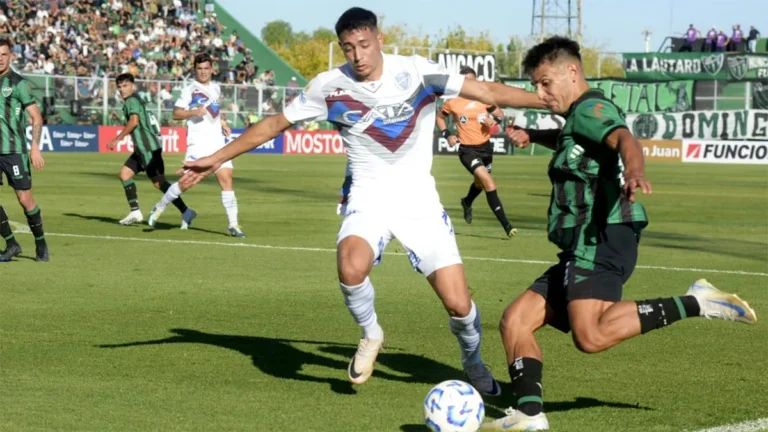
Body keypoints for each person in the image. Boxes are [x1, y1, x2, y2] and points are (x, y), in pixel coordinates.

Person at [178, 7, 545, 395]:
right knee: (350, 267)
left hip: (419, 202)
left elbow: (486, 92)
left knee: (458, 304)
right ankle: (371, 333)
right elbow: (274, 124)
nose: (358, 55)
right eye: (348, 47)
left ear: (379, 39)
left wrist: (546, 101)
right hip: (368, 198)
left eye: (364, 45)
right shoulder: (329, 87)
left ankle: (473, 363)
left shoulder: (418, 71)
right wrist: (217, 157)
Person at [480, 36, 757, 431]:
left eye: (545, 83)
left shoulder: (591, 108)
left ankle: (697, 302)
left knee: (590, 335)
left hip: (602, 233)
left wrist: (635, 171)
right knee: (515, 321)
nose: (540, 93)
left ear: (571, 72)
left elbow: (624, 138)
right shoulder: (577, 117)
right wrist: (534, 135)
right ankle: (528, 415)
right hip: (584, 241)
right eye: (536, 85)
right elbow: (575, 141)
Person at [148, 53, 245, 238]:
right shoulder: (189, 90)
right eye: (199, 69)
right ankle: (160, 207)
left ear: (212, 69)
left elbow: (214, 112)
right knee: (187, 181)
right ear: (195, 70)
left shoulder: (216, 88)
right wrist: (192, 112)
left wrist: (223, 123)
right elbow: (176, 114)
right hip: (198, 143)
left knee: (227, 179)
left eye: (206, 68)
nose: (203, 72)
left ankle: (233, 224)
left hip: (217, 142)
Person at [107, 73, 195, 229]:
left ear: (133, 86)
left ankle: (186, 211)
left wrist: (118, 138)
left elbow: (134, 122)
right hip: (144, 148)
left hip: (147, 148)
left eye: (125, 86)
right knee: (125, 174)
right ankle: (135, 211)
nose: (122, 89)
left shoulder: (132, 101)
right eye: (119, 87)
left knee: (159, 183)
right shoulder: (137, 100)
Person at [436, 65, 515, 237]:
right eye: (467, 81)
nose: (471, 84)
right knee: (488, 183)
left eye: (473, 81)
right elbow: (440, 117)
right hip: (467, 150)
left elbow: (500, 114)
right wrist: (447, 134)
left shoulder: (484, 98)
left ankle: (467, 201)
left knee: (479, 184)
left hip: (486, 148)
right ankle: (508, 226)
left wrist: (494, 120)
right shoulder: (453, 101)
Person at [0, 38, 48, 262]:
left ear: (11, 56)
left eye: (4, 55)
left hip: (14, 151)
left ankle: (41, 244)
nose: (0, 59)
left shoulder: (19, 84)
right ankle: (11, 244)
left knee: (25, 199)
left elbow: (36, 117)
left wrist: (35, 148)